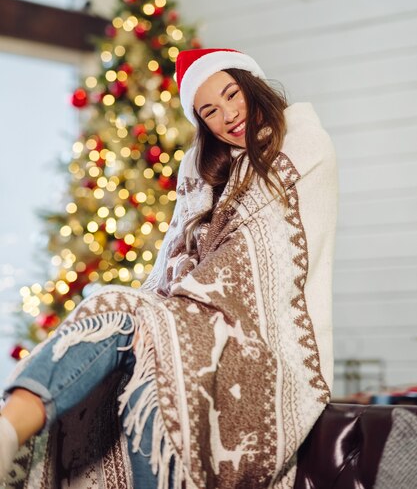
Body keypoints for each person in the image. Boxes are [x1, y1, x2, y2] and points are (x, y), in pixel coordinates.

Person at [0, 47, 339, 489]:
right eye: (210, 112)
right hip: (196, 318)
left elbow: (257, 257)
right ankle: (8, 433)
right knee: (138, 338)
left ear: (250, 84)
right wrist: (162, 313)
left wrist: (167, 312)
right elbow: (173, 260)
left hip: (264, 340)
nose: (229, 115)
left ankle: (10, 430)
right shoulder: (206, 171)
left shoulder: (304, 146)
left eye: (232, 94)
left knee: (135, 321)